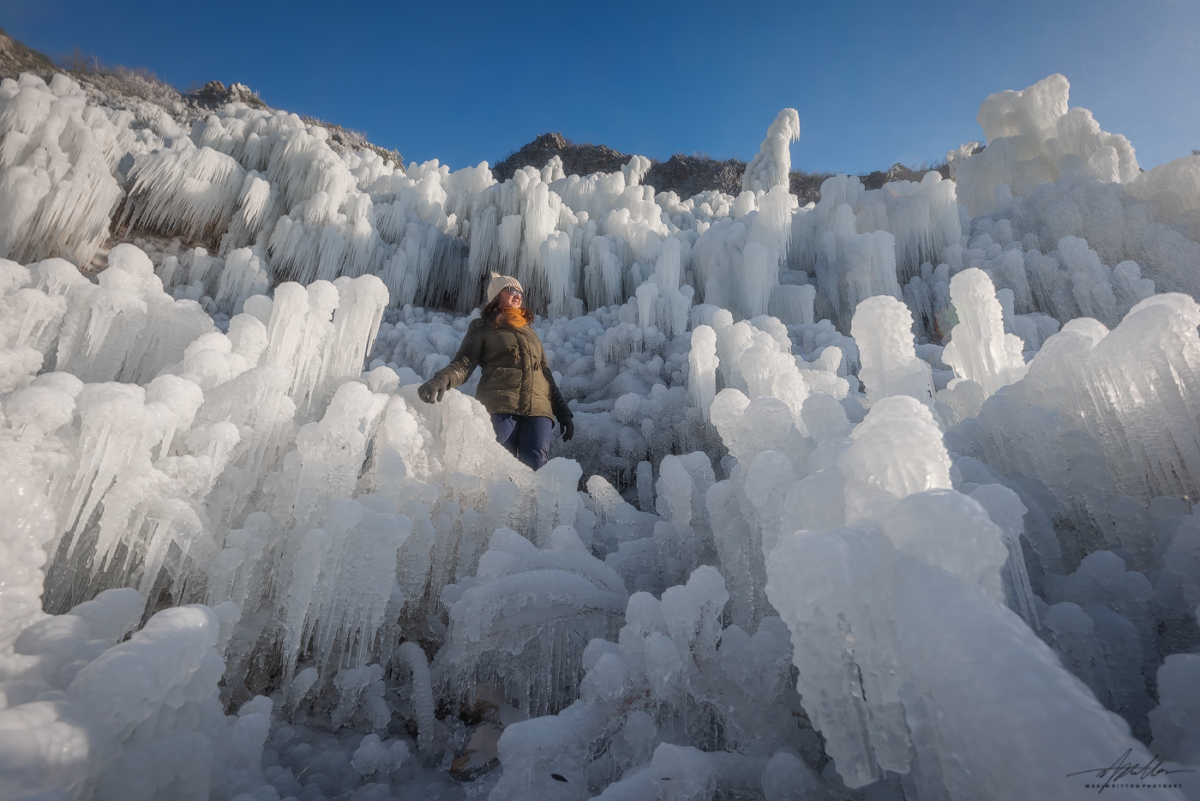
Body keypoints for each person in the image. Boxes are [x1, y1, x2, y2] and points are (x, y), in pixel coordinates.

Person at [417, 273, 574, 470]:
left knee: (537, 470)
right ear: (496, 295)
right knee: (497, 470)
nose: (518, 296)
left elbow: (546, 377)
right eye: (512, 290)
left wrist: (563, 413)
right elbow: (465, 361)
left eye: (521, 293)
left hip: (538, 410)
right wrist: (442, 378)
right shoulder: (483, 326)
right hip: (499, 405)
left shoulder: (531, 333)